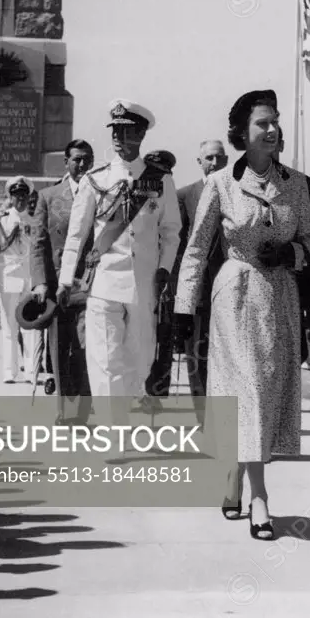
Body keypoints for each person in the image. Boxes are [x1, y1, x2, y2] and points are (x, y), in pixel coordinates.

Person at [175, 89, 310, 542]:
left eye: (276, 121)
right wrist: (184, 307)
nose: (274, 129)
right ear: (242, 133)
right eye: (263, 123)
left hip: (279, 297)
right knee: (248, 391)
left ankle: (231, 477)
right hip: (234, 296)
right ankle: (260, 497)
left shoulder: (297, 183)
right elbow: (198, 248)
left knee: (265, 390)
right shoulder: (220, 183)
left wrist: (291, 251)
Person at [58, 100, 181, 407]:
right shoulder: (95, 179)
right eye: (114, 129)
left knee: (139, 357)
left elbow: (171, 232)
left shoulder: (160, 180)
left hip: (144, 282)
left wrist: (164, 269)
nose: (117, 136)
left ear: (140, 134)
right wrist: (64, 280)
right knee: (106, 357)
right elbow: (76, 235)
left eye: (125, 130)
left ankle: (129, 406)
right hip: (103, 282)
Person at [154, 139, 229, 398]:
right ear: (199, 162)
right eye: (209, 158)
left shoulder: (241, 193)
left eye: (219, 157)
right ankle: (203, 416)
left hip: (231, 290)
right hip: (197, 292)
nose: (215, 163)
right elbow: (177, 248)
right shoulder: (185, 196)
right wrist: (179, 293)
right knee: (197, 355)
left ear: (228, 160)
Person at [31, 139, 95, 423]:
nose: (81, 165)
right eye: (76, 159)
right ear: (66, 162)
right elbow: (38, 244)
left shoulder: (102, 194)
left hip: (91, 285)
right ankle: (62, 409)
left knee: (85, 348)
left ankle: (81, 411)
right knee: (59, 348)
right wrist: (40, 282)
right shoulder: (48, 196)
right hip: (58, 287)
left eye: (86, 159)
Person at [0, 176, 38, 384]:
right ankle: (9, 371)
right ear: (10, 197)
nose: (20, 200)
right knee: (9, 327)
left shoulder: (35, 219)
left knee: (31, 327)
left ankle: (32, 371)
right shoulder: (0, 220)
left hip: (30, 279)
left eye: (23, 196)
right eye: (16, 196)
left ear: (28, 197)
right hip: (8, 278)